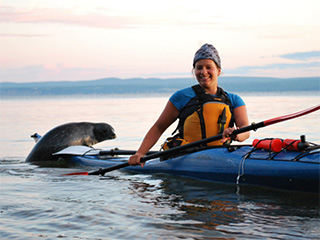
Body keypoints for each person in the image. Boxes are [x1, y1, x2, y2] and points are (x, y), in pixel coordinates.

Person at [129, 43, 250, 166]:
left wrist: (236, 134)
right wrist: (140, 154)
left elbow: (246, 130)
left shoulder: (234, 100)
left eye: (209, 67)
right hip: (186, 157)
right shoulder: (181, 97)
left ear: (218, 71)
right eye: (199, 68)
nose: (204, 72)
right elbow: (159, 127)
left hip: (219, 156)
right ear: (194, 71)